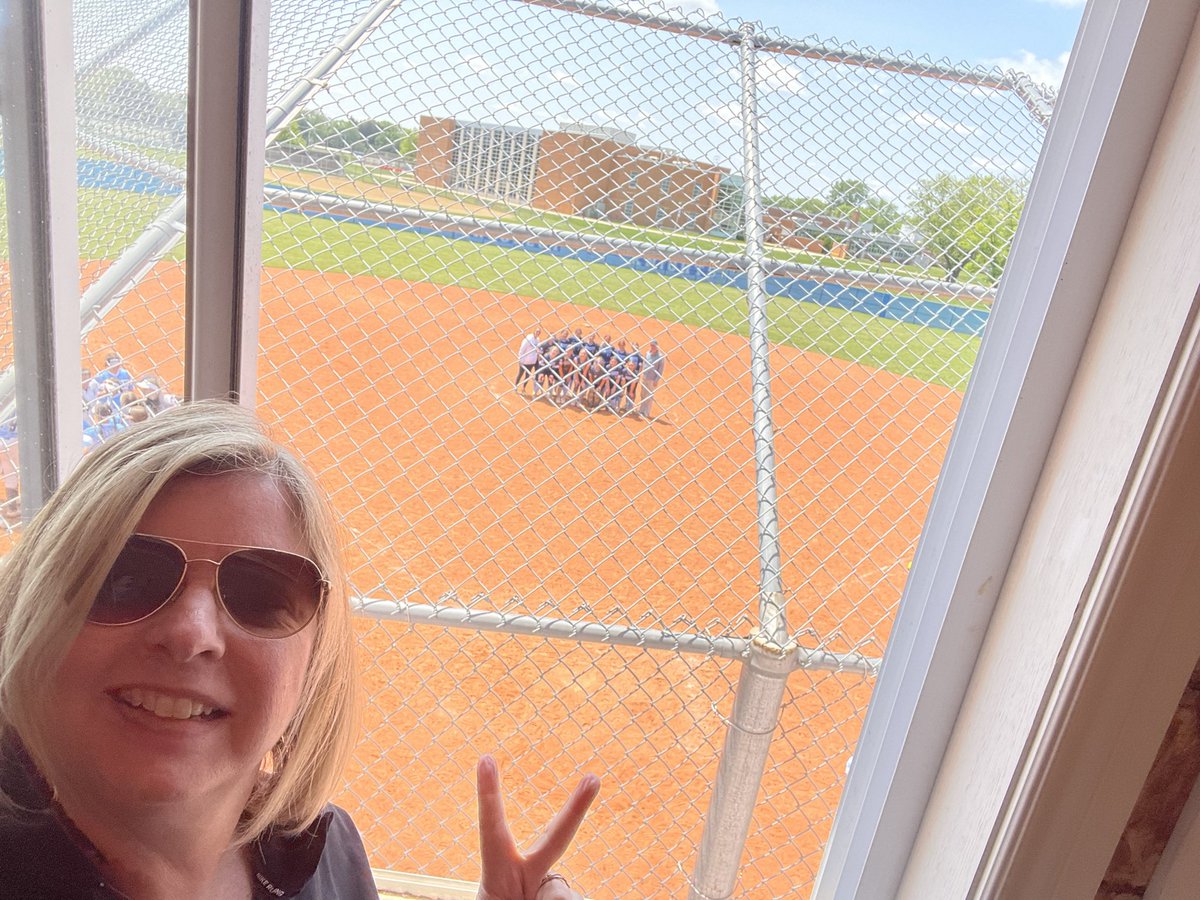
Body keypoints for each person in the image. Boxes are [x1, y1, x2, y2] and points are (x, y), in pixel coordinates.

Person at [0, 402, 598, 899]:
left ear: (313, 664)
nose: (191, 634)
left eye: (260, 594)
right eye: (123, 578)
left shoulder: (324, 856)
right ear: (33, 602)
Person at [638, 340, 666, 418]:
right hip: (645, 377)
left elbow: (660, 370)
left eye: (654, 346)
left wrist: (656, 380)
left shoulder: (660, 357)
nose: (652, 347)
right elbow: (644, 365)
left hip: (652, 379)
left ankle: (646, 412)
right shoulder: (647, 354)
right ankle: (641, 410)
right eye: (651, 345)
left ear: (657, 347)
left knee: (649, 396)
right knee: (643, 394)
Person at [514, 328, 541, 396]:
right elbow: (522, 349)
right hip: (524, 360)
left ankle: (523, 388)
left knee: (527, 375)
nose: (538, 333)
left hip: (532, 361)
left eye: (539, 332)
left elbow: (537, 350)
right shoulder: (528, 339)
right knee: (520, 374)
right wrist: (520, 359)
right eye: (537, 331)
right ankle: (515, 387)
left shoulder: (538, 340)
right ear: (533, 331)